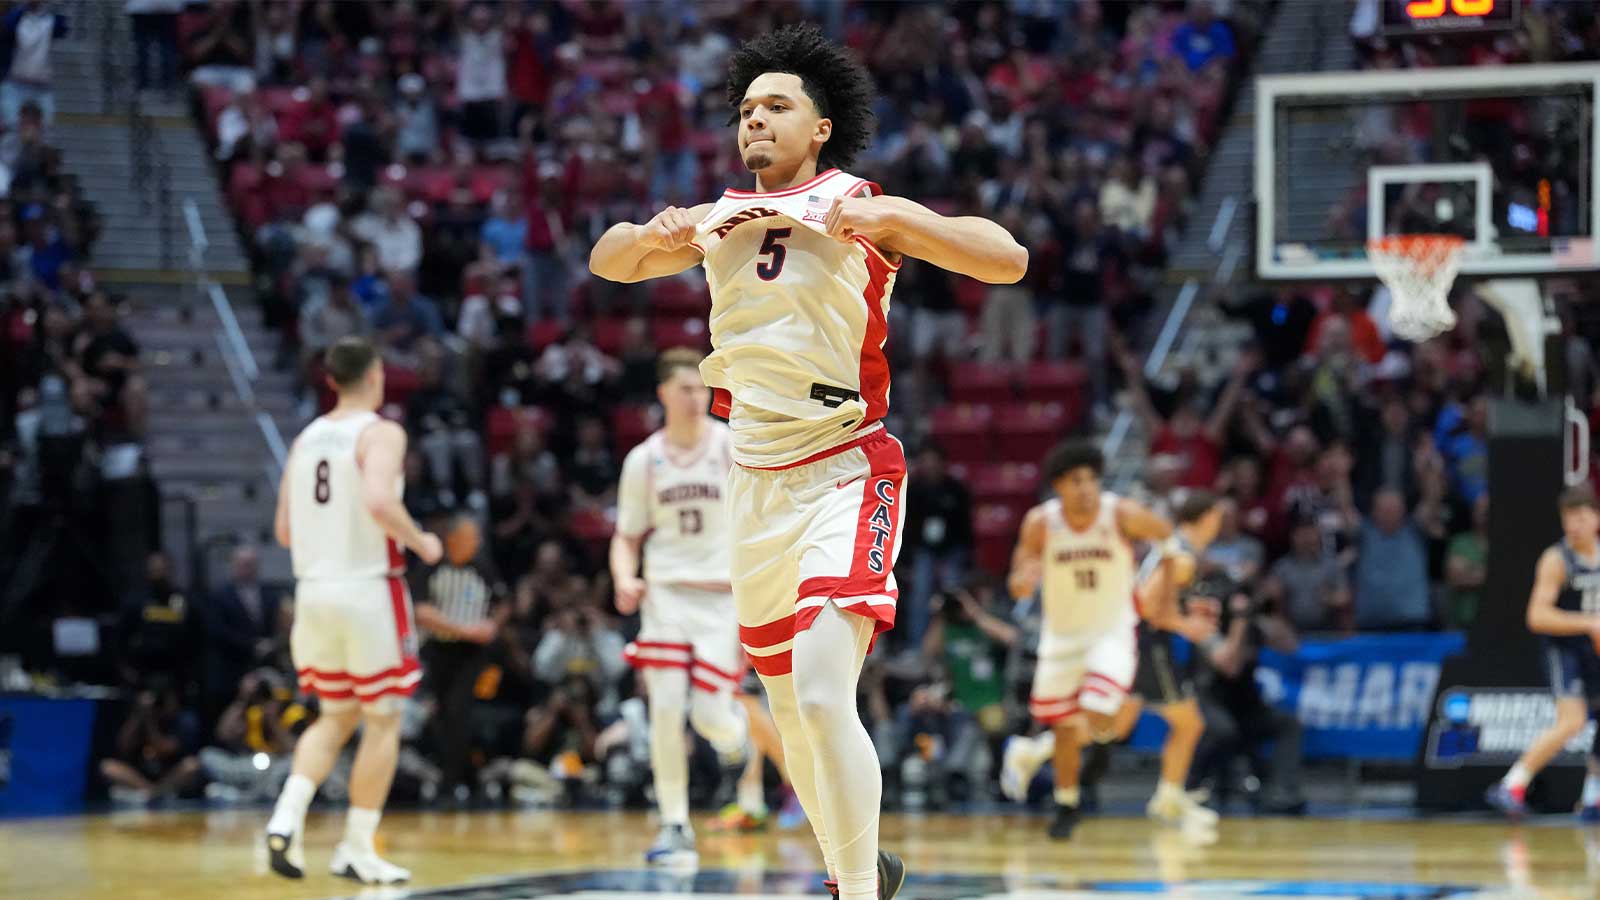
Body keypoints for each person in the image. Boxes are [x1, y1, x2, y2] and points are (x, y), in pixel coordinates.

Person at [588, 23, 1027, 900]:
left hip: (844, 468)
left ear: (819, 126)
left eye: (776, 106)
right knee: (789, 714)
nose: (755, 121)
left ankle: (857, 891)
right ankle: (857, 871)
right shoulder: (716, 218)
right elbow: (607, 261)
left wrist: (894, 218)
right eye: (746, 110)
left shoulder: (860, 203)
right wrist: (650, 231)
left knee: (826, 697)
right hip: (753, 488)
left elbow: (1007, 259)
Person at [263, 337, 444, 885]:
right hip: (368, 589)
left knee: (336, 714)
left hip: (313, 592)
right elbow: (380, 501)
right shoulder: (380, 431)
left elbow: (283, 531)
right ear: (375, 376)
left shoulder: (306, 439)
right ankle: (358, 847)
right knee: (383, 719)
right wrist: (423, 543)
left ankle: (285, 817)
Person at [611, 348, 749, 866]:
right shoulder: (644, 460)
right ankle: (674, 824)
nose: (698, 398)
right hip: (666, 593)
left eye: (702, 388)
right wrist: (625, 578)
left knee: (711, 714)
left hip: (722, 597)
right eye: (687, 389)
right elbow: (626, 537)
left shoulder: (732, 446)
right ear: (664, 393)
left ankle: (735, 744)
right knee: (666, 711)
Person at [998, 441, 1174, 840]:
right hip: (1060, 637)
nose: (1086, 488)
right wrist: (1023, 582)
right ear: (1059, 485)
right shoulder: (1040, 523)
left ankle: (1031, 751)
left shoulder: (1120, 512)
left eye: (1092, 480)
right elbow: (1016, 583)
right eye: (1077, 481)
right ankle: (1066, 803)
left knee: (1100, 711)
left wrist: (1164, 571)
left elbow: (1165, 533)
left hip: (1111, 632)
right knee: (1063, 728)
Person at [1078, 491, 1225, 831]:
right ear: (1203, 518)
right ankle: (1168, 799)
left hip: (1137, 640)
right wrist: (1187, 625)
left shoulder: (1177, 549)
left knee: (1118, 725)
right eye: (1217, 518)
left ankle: (1035, 749)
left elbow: (1156, 599)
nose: (1220, 525)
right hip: (1147, 643)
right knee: (1188, 724)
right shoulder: (1182, 555)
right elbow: (1146, 605)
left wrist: (1190, 612)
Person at [1487, 486, 1600, 819]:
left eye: (1581, 517)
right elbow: (1537, 616)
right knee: (1573, 721)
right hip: (1563, 650)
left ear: (1596, 518)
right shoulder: (1556, 559)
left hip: (1592, 651)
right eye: (1568, 518)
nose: (1574, 525)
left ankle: (1593, 797)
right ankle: (1512, 784)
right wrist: (1589, 624)